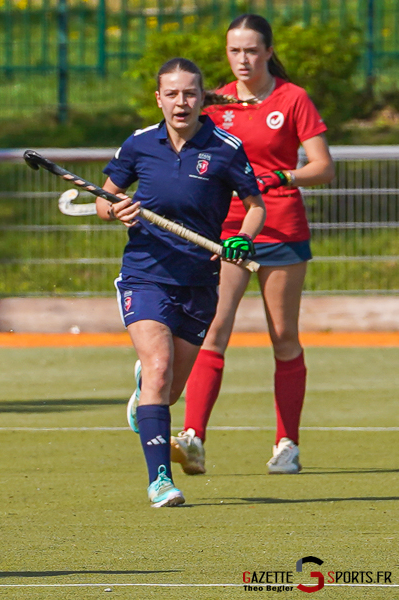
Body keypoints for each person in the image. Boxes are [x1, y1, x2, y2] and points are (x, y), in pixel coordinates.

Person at [171, 14, 335, 477]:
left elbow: (323, 167)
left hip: (282, 228)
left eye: (251, 50)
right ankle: (193, 438)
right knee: (213, 328)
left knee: (282, 336)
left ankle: (288, 444)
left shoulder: (292, 98)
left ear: (267, 51)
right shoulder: (213, 102)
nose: (242, 60)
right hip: (228, 231)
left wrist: (282, 175)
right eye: (234, 51)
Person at [99, 57, 265, 507]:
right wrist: (117, 209)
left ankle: (143, 394)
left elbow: (255, 206)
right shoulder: (138, 146)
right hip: (145, 274)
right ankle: (160, 481)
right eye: (171, 94)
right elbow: (104, 201)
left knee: (168, 389)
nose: (181, 102)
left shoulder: (225, 147)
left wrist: (242, 241)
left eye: (189, 93)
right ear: (159, 98)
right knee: (158, 367)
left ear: (201, 97)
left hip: (198, 281)